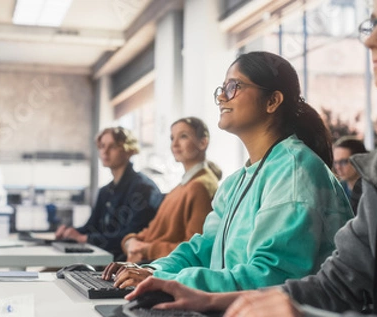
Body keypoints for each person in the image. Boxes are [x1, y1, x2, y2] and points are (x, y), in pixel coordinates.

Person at [126, 0, 377, 315]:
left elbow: (274, 276)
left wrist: (184, 284)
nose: (371, 39)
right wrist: (190, 289)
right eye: (372, 23)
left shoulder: (297, 170)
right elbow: (336, 285)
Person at [104, 51, 353, 291]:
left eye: (234, 86)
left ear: (273, 101)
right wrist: (153, 270)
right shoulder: (237, 182)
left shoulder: (294, 171)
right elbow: (203, 249)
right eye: (222, 89)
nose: (222, 97)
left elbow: (272, 279)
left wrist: (167, 280)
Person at [116, 117, 221, 264]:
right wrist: (131, 241)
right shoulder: (180, 187)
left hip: (163, 269)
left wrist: (145, 250)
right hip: (149, 261)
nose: (175, 144)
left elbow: (196, 249)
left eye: (183, 136)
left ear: (203, 143)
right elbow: (152, 231)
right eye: (172, 138)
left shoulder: (200, 186)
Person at [54, 127, 162, 259]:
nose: (105, 151)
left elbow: (132, 235)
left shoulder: (144, 189)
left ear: (128, 151)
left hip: (123, 262)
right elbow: (91, 227)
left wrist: (84, 238)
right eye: (102, 146)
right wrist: (69, 231)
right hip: (98, 257)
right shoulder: (105, 191)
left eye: (113, 146)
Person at [333, 136, 367, 212]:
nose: (338, 167)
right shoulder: (337, 189)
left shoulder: (371, 189)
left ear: (358, 160)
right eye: (335, 162)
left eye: (343, 162)